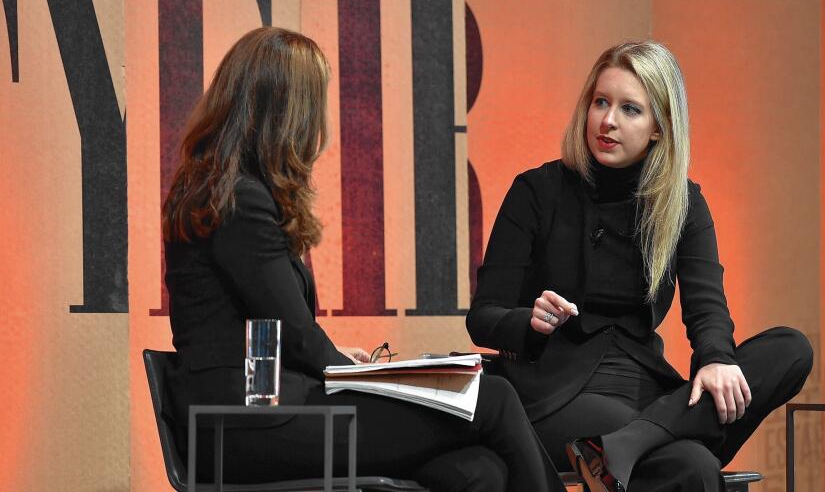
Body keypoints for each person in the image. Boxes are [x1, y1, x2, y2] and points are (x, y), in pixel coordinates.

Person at [161, 26, 562, 492]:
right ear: (288, 114)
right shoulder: (238, 200)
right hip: (244, 425)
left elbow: (265, 326)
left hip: (257, 411)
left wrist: (345, 368)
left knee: (477, 470)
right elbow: (294, 334)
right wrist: (354, 373)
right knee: (491, 397)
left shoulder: (218, 189)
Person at [467, 41, 813, 491]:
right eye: (601, 102)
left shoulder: (683, 204)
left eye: (630, 109)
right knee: (693, 466)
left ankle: (625, 444)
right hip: (556, 391)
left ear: (658, 128)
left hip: (646, 389)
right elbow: (484, 317)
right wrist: (530, 323)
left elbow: (707, 307)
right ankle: (632, 442)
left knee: (790, 348)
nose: (608, 121)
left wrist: (715, 359)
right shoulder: (537, 191)